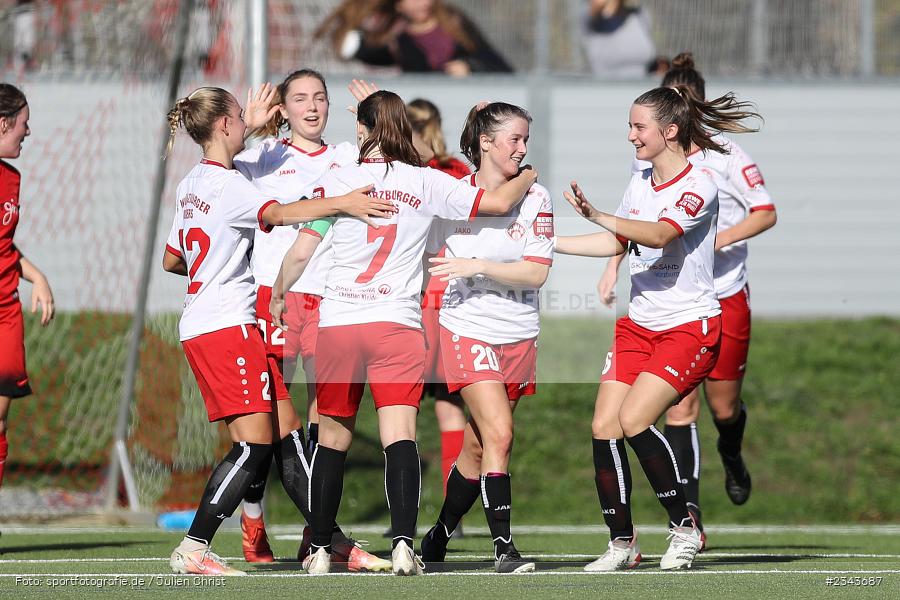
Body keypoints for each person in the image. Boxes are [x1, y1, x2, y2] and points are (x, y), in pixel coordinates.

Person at [270, 90, 538, 575]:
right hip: (396, 324)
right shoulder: (426, 181)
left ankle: (320, 552)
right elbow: (496, 200)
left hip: (340, 325)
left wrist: (276, 293)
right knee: (401, 437)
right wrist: (528, 176)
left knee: (332, 440)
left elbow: (301, 252)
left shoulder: (340, 180)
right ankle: (400, 545)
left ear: (364, 130)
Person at [162, 85, 395, 576]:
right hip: (230, 324)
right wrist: (343, 204)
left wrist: (217, 263)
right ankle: (195, 547)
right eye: (239, 115)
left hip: (203, 321)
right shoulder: (230, 185)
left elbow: (173, 259)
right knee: (253, 446)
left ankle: (331, 541)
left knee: (286, 433)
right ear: (225, 124)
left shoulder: (191, 184)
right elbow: (282, 215)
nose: (250, 118)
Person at [554, 84, 761, 570]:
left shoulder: (700, 184)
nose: (630, 135)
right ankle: (622, 543)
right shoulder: (641, 180)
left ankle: (685, 527)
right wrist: (548, 244)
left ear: (670, 131)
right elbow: (619, 244)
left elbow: (659, 234)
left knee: (633, 421)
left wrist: (599, 214)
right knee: (604, 426)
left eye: (638, 126)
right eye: (629, 125)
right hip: (638, 326)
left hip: (689, 326)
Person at [597, 53, 777, 544]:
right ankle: (689, 518)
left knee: (723, 410)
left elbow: (765, 212)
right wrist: (613, 264)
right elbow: (633, 222)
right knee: (680, 410)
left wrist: (714, 236)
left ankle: (732, 455)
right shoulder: (648, 164)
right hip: (668, 305)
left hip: (723, 295)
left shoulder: (725, 158)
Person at [230, 72, 390, 572]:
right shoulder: (262, 157)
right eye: (300, 98)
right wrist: (249, 130)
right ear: (284, 108)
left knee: (328, 419)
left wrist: (381, 116)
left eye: (319, 96)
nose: (312, 106)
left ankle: (312, 534)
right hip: (272, 297)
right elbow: (210, 181)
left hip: (332, 299)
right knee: (273, 419)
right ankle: (254, 517)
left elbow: (399, 175)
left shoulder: (346, 155)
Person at [418, 101, 553, 574]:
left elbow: (535, 274)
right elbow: (425, 257)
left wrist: (478, 266)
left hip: (519, 335)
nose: (522, 148)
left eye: (525, 140)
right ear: (485, 143)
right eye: (514, 139)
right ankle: (504, 548)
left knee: (478, 446)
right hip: (466, 327)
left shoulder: (538, 197)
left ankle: (436, 536)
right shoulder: (453, 196)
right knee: (501, 433)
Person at [406, 97, 470, 505]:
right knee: (450, 407)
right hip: (448, 298)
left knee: (403, 409)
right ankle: (454, 506)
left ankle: (406, 506)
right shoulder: (458, 172)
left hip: (416, 298)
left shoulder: (409, 174)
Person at [0, 83, 54, 500]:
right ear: (4, 124)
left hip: (6, 312)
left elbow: (5, 245)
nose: (28, 132)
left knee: (0, 419)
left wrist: (36, 276)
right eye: (24, 124)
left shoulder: (11, 179)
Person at [317, 0, 513, 76]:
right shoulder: (399, 39)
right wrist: (353, 45)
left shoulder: (453, 22)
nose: (422, 3)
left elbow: (491, 59)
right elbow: (375, 53)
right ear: (399, 6)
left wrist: (469, 66)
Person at [581, 0, 657, 79]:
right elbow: (595, 8)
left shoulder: (640, 15)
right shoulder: (589, 21)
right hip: (607, 87)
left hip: (644, 86)